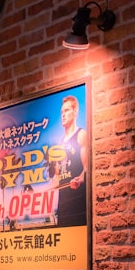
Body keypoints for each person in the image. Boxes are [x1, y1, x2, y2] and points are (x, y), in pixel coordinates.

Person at [49, 95, 88, 228]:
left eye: (66, 111)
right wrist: (43, 190)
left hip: (78, 204)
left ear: (75, 111)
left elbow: (87, 167)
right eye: (62, 112)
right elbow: (58, 177)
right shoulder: (59, 145)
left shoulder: (81, 135)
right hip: (63, 207)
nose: (63, 115)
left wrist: (80, 178)